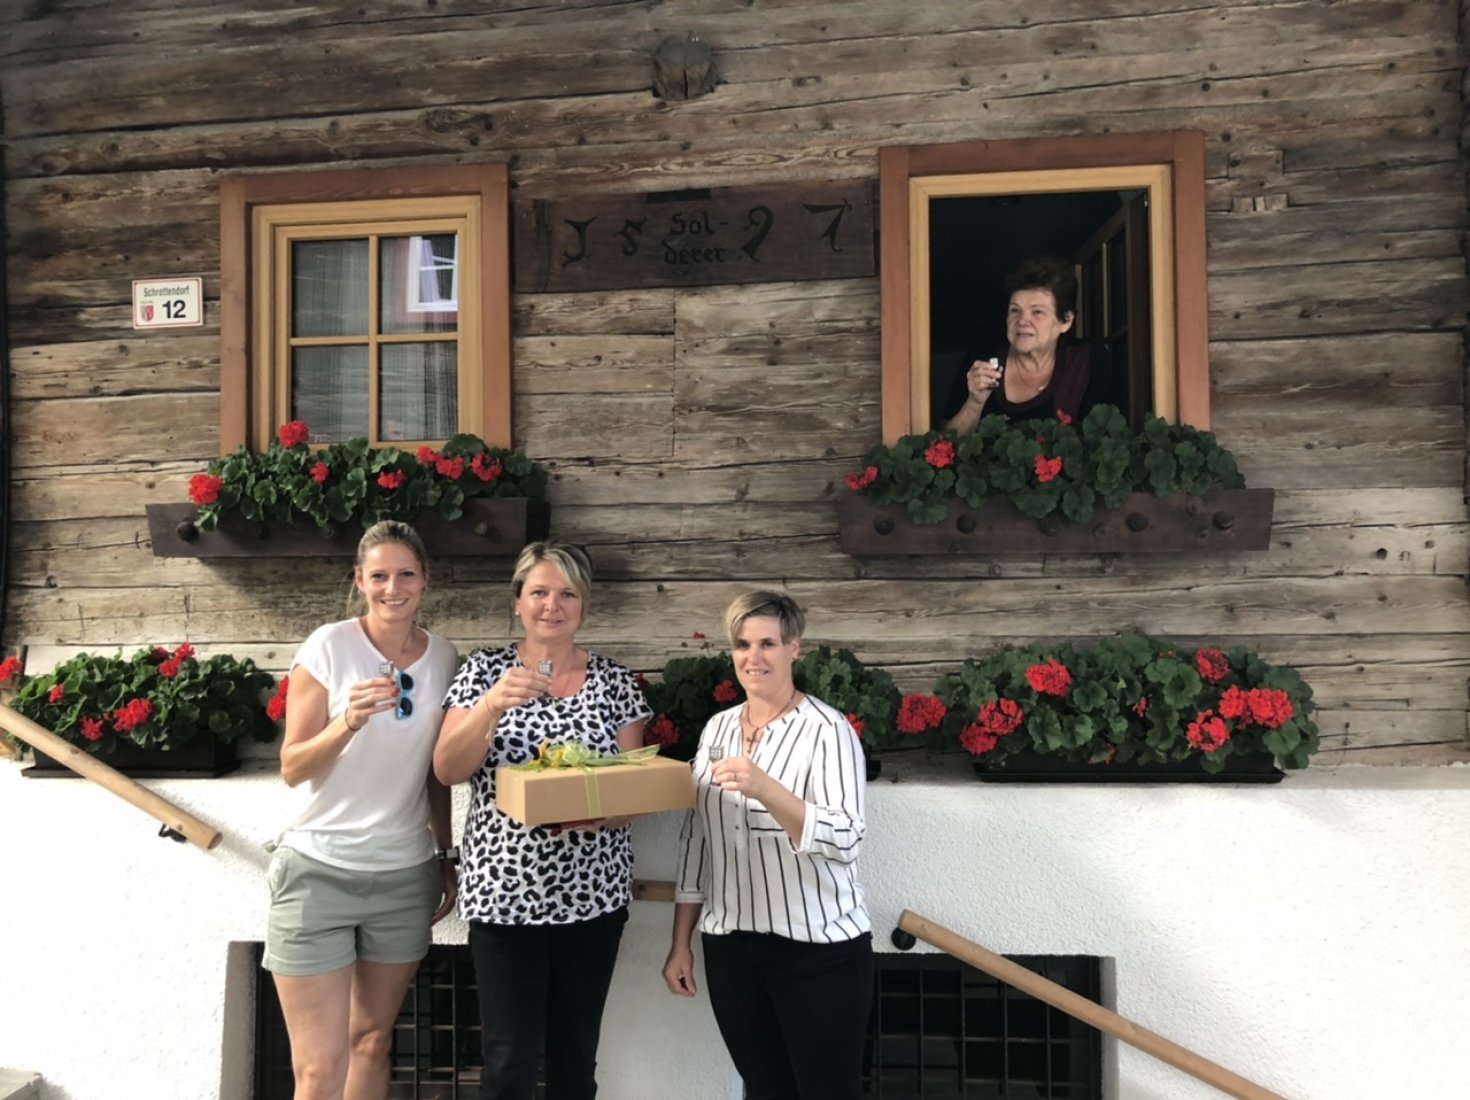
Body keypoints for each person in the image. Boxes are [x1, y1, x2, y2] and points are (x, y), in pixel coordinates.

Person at [434, 541, 651, 1100]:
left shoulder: (613, 681)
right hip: (504, 896)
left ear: (584, 605)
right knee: (508, 1063)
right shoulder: (484, 671)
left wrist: (600, 814)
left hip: (593, 897)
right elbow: (447, 770)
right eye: (539, 592)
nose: (552, 605)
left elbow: (637, 788)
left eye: (567, 594)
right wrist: (490, 706)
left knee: (574, 1063)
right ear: (518, 601)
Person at [263, 520, 461, 1100]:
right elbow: (293, 766)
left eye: (405, 574)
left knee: (372, 1042)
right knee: (318, 1069)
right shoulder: (330, 645)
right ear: (359, 581)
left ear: (425, 579)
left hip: (403, 875)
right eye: (379, 576)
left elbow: (435, 772)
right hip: (317, 871)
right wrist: (346, 722)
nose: (392, 588)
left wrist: (444, 854)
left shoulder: (444, 657)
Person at [663, 591, 872, 1100]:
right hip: (732, 950)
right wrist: (680, 942)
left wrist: (767, 789)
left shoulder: (828, 731)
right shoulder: (717, 729)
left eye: (767, 644)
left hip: (818, 952)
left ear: (793, 648)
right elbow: (697, 841)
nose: (753, 657)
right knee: (764, 1090)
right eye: (742, 644)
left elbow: (846, 837)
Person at [941, 254, 1114, 433]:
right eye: (1015, 310)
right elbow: (946, 443)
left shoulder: (1086, 361)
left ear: (1066, 321)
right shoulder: (982, 362)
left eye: (1037, 312)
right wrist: (975, 402)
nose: (1022, 321)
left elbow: (1102, 439)